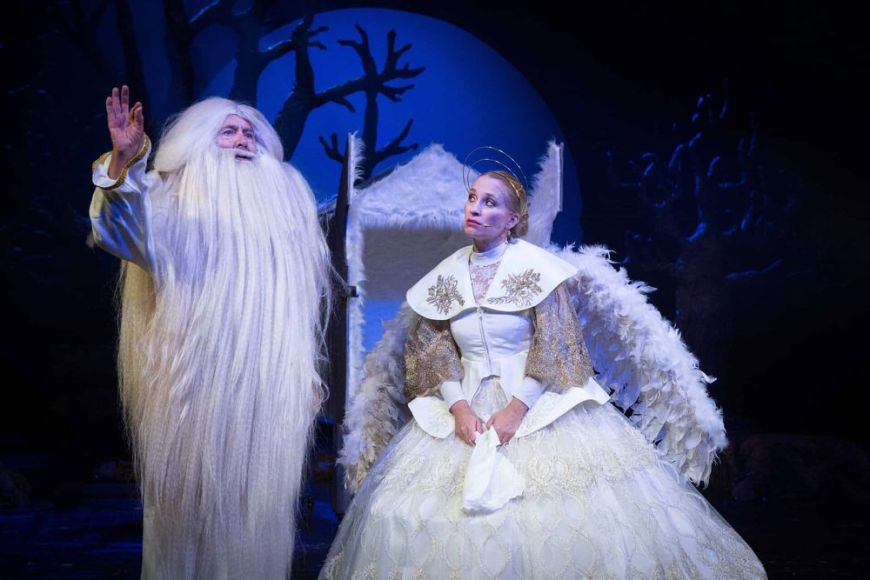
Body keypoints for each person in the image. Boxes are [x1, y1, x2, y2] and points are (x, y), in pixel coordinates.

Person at [320, 170, 766, 578]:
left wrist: (516, 410)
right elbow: (432, 351)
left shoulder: (537, 269)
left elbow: (556, 345)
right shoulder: (445, 275)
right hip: (466, 404)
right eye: (472, 198)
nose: (475, 208)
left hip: (536, 403)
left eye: (490, 202)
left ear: (513, 219)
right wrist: (459, 408)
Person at [89, 86, 331, 578]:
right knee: (186, 520)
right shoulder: (170, 208)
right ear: (199, 145)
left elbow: (297, 316)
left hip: (266, 396)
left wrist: (305, 376)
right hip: (191, 391)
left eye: (250, 134)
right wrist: (123, 163)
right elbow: (117, 232)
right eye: (228, 132)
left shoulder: (286, 221)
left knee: (255, 519)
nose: (243, 140)